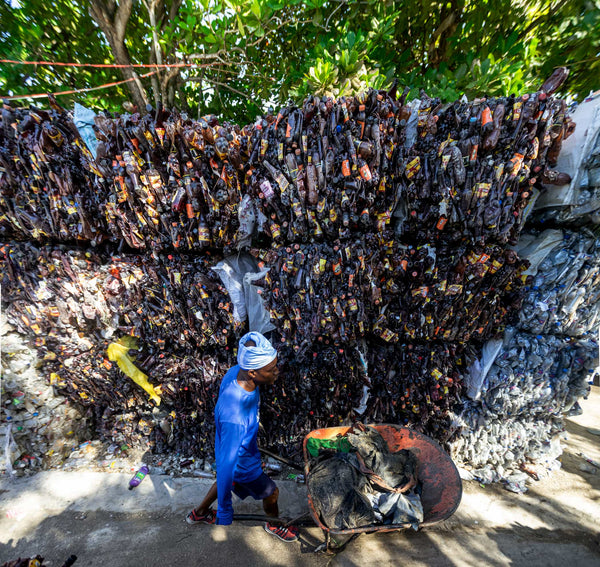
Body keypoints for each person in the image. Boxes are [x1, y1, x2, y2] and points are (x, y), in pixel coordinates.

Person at [186, 331, 299, 543]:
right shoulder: (235, 415)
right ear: (253, 373)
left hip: (236, 444)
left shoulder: (235, 373)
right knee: (271, 492)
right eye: (271, 369)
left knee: (226, 480)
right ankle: (274, 524)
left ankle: (199, 513)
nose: (276, 371)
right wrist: (224, 511)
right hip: (241, 463)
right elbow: (227, 464)